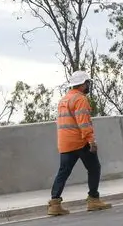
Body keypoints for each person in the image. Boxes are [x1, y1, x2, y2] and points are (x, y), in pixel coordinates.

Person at [48, 70, 111, 216]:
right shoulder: (80, 99)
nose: (88, 85)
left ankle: (54, 204)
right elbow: (83, 123)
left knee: (63, 172)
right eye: (87, 82)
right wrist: (91, 141)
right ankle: (93, 200)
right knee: (94, 168)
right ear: (82, 84)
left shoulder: (64, 99)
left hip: (65, 142)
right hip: (79, 141)